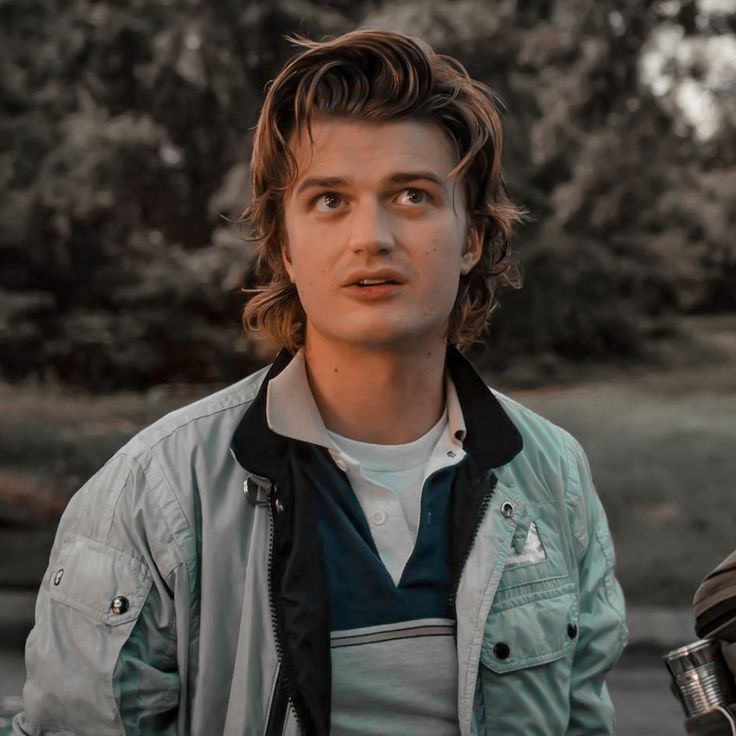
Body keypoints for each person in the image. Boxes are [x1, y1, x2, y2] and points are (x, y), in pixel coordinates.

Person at [13, 28, 627, 736]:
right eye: (330, 200)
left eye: (413, 196)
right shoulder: (153, 495)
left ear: (473, 240)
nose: (371, 236)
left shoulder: (556, 478)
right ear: (284, 244)